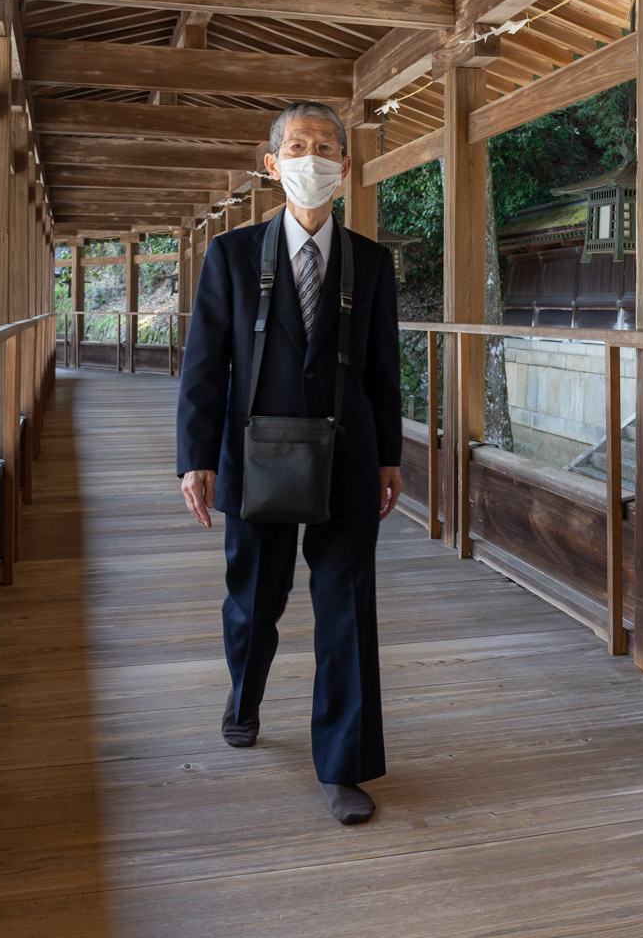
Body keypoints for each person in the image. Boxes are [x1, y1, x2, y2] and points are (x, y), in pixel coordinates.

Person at [176, 100, 403, 826]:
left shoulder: (370, 261)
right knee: (255, 598)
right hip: (253, 453)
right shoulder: (233, 255)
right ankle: (244, 695)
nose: (312, 158)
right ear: (270, 164)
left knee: (346, 610)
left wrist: (389, 456)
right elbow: (204, 366)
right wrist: (195, 458)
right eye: (296, 146)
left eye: (325, 146)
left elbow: (382, 369)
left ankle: (343, 764)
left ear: (345, 165)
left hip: (348, 455)